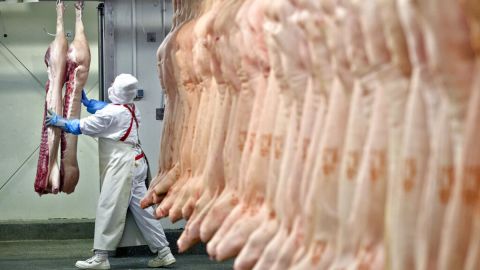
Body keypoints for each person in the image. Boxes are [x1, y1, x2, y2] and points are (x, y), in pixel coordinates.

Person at [46, 73, 175, 270]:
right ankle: (164, 253)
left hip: (123, 167)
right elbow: (106, 109)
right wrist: (89, 103)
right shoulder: (131, 108)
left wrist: (59, 121)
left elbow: (80, 126)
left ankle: (100, 257)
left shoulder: (113, 114)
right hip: (136, 163)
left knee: (108, 206)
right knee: (144, 211)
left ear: (117, 91)